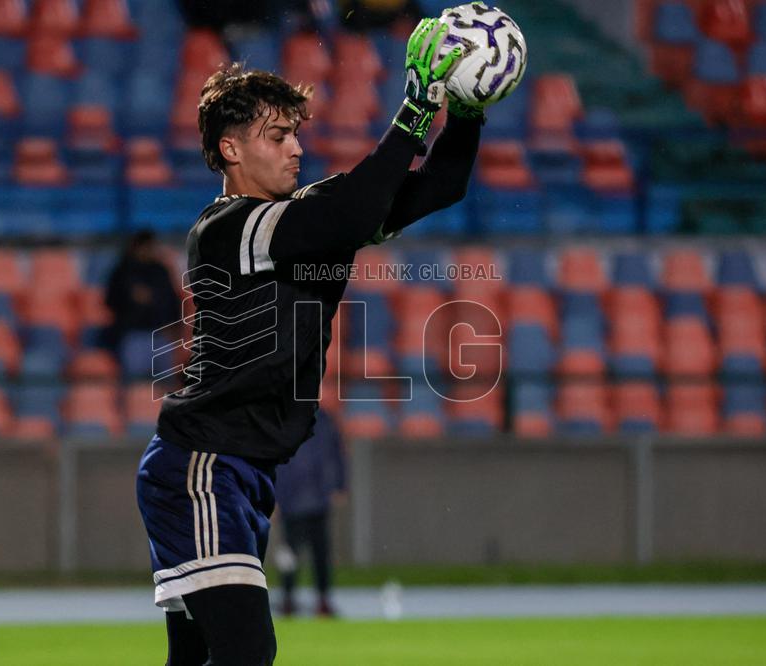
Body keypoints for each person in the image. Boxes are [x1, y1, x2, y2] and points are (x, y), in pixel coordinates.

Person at [136, 16, 483, 665]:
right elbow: (350, 212)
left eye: (296, 132)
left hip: (240, 471)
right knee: (247, 653)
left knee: (195, 659)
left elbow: (442, 185)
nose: (296, 147)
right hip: (202, 466)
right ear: (231, 151)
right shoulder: (227, 229)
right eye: (277, 135)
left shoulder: (302, 222)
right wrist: (414, 110)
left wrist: (468, 106)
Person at [274, 409, 346, 618]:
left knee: (321, 553)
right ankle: (288, 597)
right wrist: (273, 495)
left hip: (317, 498)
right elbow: (276, 459)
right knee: (289, 554)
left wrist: (339, 483)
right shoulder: (282, 418)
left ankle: (322, 598)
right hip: (291, 499)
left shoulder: (323, 419)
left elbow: (336, 452)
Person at [103, 230, 181, 370]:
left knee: (164, 384)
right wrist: (131, 298)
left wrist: (172, 327)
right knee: (136, 384)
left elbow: (172, 301)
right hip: (133, 335)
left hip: (160, 335)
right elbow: (110, 302)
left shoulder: (160, 270)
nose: (149, 250)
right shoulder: (122, 271)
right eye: (146, 246)